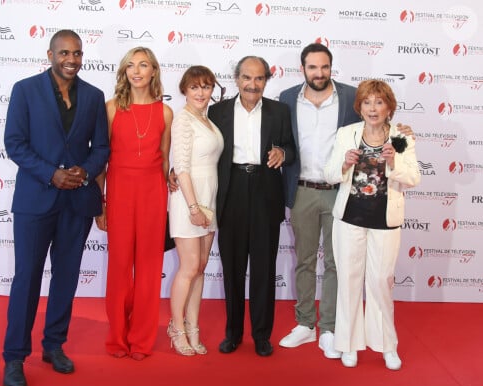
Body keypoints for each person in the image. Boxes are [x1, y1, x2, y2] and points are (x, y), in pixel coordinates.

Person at [278, 43, 413, 359]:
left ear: (331, 68)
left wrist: (401, 131)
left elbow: (377, 120)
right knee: (304, 260)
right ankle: (304, 324)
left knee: (337, 263)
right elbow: (282, 139)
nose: (319, 73)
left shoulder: (352, 95)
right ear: (303, 69)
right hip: (302, 189)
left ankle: (329, 328)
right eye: (313, 67)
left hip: (342, 192)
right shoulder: (286, 98)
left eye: (324, 67)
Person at [2, 29, 109, 386]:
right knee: (27, 279)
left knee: (66, 278)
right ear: (50, 54)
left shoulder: (94, 96)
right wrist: (51, 174)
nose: (71, 60)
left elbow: (102, 148)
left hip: (76, 202)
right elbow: (14, 143)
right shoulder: (25, 90)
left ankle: (54, 346)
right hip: (36, 201)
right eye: (64, 53)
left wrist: (86, 170)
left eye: (77, 53)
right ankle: (15, 357)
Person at [323, 79, 420, 370]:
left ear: (389, 107)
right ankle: (348, 345)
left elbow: (413, 178)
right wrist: (343, 164)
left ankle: (387, 346)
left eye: (379, 102)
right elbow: (329, 174)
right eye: (367, 103)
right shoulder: (347, 133)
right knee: (349, 282)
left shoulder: (402, 137)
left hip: (385, 221)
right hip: (350, 218)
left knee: (380, 283)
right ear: (360, 107)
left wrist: (394, 164)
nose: (372, 108)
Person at [211, 56, 295, 357]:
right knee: (232, 268)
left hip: (265, 191)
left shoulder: (279, 111)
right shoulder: (216, 111)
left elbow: (292, 149)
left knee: (263, 268)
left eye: (259, 79)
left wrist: (283, 153)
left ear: (266, 81)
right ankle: (233, 333)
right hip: (231, 190)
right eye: (247, 77)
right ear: (236, 79)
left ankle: (261, 335)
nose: (252, 84)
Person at [95, 47, 172, 361]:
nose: (137, 71)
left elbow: (165, 161)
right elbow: (102, 160)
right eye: (131, 65)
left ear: (154, 70)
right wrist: (101, 204)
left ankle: (141, 339)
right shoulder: (111, 108)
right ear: (124, 72)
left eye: (143, 65)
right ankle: (117, 338)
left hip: (154, 191)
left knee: (151, 269)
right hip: (120, 191)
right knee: (119, 267)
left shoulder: (165, 112)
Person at [167, 66, 224, 356]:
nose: (201, 93)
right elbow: (183, 168)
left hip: (209, 200)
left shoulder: (208, 120)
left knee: (200, 268)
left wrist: (205, 207)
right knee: (189, 268)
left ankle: (193, 327)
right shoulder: (182, 120)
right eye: (194, 88)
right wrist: (192, 208)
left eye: (206, 87)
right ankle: (177, 329)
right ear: (184, 90)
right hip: (189, 201)